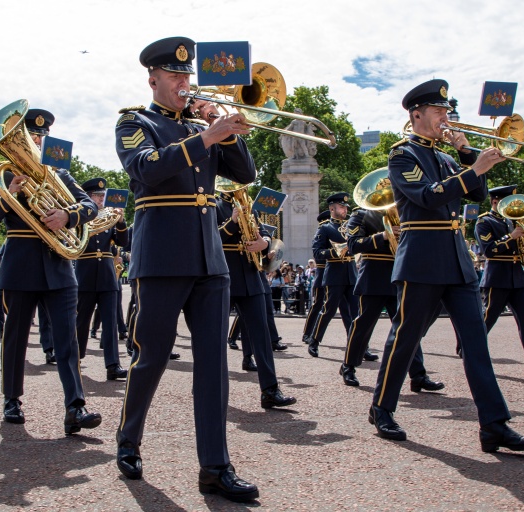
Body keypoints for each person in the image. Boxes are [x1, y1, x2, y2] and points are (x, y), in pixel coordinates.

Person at [113, 36, 259, 502]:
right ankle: (129, 440)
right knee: (152, 356)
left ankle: (215, 467)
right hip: (161, 255)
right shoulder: (136, 122)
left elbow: (246, 173)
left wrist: (224, 127)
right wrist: (206, 137)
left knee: (214, 365)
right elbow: (147, 169)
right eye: (175, 76)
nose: (183, 83)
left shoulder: (202, 123)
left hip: (209, 257)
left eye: (187, 76)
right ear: (153, 78)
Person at [369, 78, 524, 452]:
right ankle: (382, 406)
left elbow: (478, 195)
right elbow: (428, 197)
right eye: (438, 111)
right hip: (421, 257)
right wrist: (473, 168)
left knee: (477, 344)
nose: (446, 117)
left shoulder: (448, 157)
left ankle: (494, 425)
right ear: (416, 115)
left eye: (447, 111)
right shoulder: (403, 155)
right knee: (405, 338)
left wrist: (467, 154)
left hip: (456, 258)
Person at [0, 108, 105, 433]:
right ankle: (11, 399)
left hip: (59, 267)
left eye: (41, 135)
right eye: (30, 134)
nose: (36, 139)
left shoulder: (59, 173)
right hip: (20, 266)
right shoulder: (1, 174)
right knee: (16, 338)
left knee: (68, 342)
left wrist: (68, 215)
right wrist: (11, 197)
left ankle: (75, 408)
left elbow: (89, 206)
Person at [339, 207, 444, 391]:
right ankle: (348, 366)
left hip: (400, 275)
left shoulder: (405, 211)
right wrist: (385, 235)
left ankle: (418, 375)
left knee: (408, 327)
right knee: (364, 324)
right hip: (374, 275)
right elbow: (354, 244)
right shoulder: (361, 215)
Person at [215, 190, 296, 408]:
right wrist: (231, 222)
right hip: (223, 274)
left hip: (251, 276)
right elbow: (208, 238)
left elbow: (262, 232)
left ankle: (270, 390)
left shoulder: (248, 206)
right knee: (213, 338)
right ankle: (210, 390)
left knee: (262, 335)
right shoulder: (212, 204)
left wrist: (265, 243)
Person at [474, 185, 524, 379]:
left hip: (517, 276)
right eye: (506, 203)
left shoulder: (516, 222)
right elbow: (489, 250)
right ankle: (470, 349)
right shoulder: (484, 222)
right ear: (495, 202)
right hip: (498, 276)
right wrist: (511, 237)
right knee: (488, 318)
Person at [73, 177, 128, 380]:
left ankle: (113, 364)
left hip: (106, 275)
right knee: (82, 321)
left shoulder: (110, 217)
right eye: (97, 196)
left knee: (110, 323)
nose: (101, 200)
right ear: (87, 197)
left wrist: (121, 221)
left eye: (102, 196)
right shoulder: (79, 216)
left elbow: (124, 241)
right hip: (85, 273)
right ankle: (75, 358)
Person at [307, 193, 359, 358]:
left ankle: (359, 346)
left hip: (351, 273)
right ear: (332, 209)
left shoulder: (351, 226)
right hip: (334, 274)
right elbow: (317, 252)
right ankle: (314, 340)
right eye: (341, 207)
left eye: (345, 207)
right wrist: (336, 251)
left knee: (355, 313)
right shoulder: (325, 228)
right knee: (328, 310)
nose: (344, 210)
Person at [301, 211, 330, 344]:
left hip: (339, 275)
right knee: (317, 304)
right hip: (324, 273)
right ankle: (308, 333)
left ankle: (359, 344)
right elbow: (318, 254)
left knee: (348, 309)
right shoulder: (322, 232)